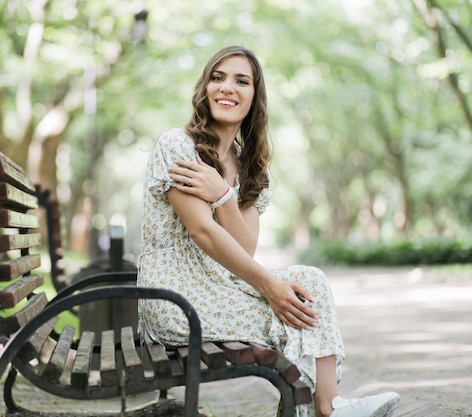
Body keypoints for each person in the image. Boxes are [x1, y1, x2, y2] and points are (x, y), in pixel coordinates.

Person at [137, 45, 400, 417]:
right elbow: (203, 232)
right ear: (205, 89)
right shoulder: (179, 146)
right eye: (218, 77)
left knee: (309, 282)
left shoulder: (249, 166)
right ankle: (323, 410)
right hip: (175, 299)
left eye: (241, 81)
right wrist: (269, 287)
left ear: (254, 99)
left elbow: (244, 249)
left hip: (218, 291)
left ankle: (329, 405)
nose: (227, 87)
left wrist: (224, 195)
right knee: (293, 308)